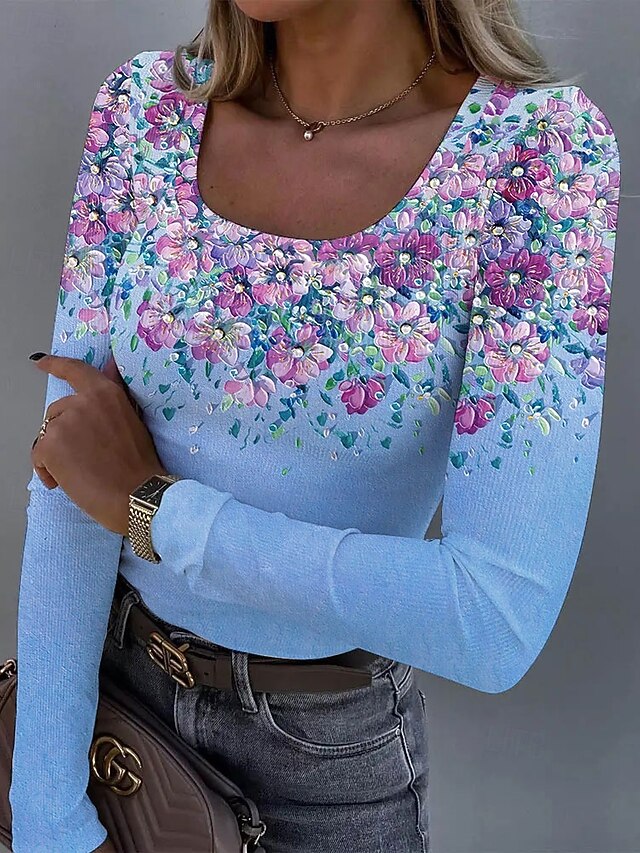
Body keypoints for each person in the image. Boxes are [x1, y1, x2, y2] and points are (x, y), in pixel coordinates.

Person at [9, 0, 621, 851]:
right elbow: (71, 477)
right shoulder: (147, 107)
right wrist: (48, 817)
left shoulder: (536, 153)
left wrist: (157, 512)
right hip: (114, 721)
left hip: (328, 779)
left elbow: (493, 618)